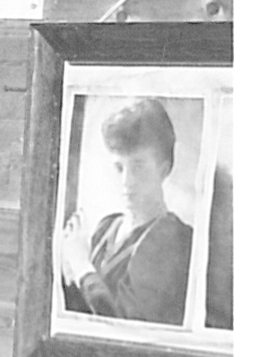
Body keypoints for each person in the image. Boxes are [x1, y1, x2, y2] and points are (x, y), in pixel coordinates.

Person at [57, 98, 193, 325]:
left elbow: (126, 327)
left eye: (138, 167)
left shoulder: (174, 238)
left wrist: (81, 265)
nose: (126, 182)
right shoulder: (106, 227)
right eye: (119, 168)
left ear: (164, 169)